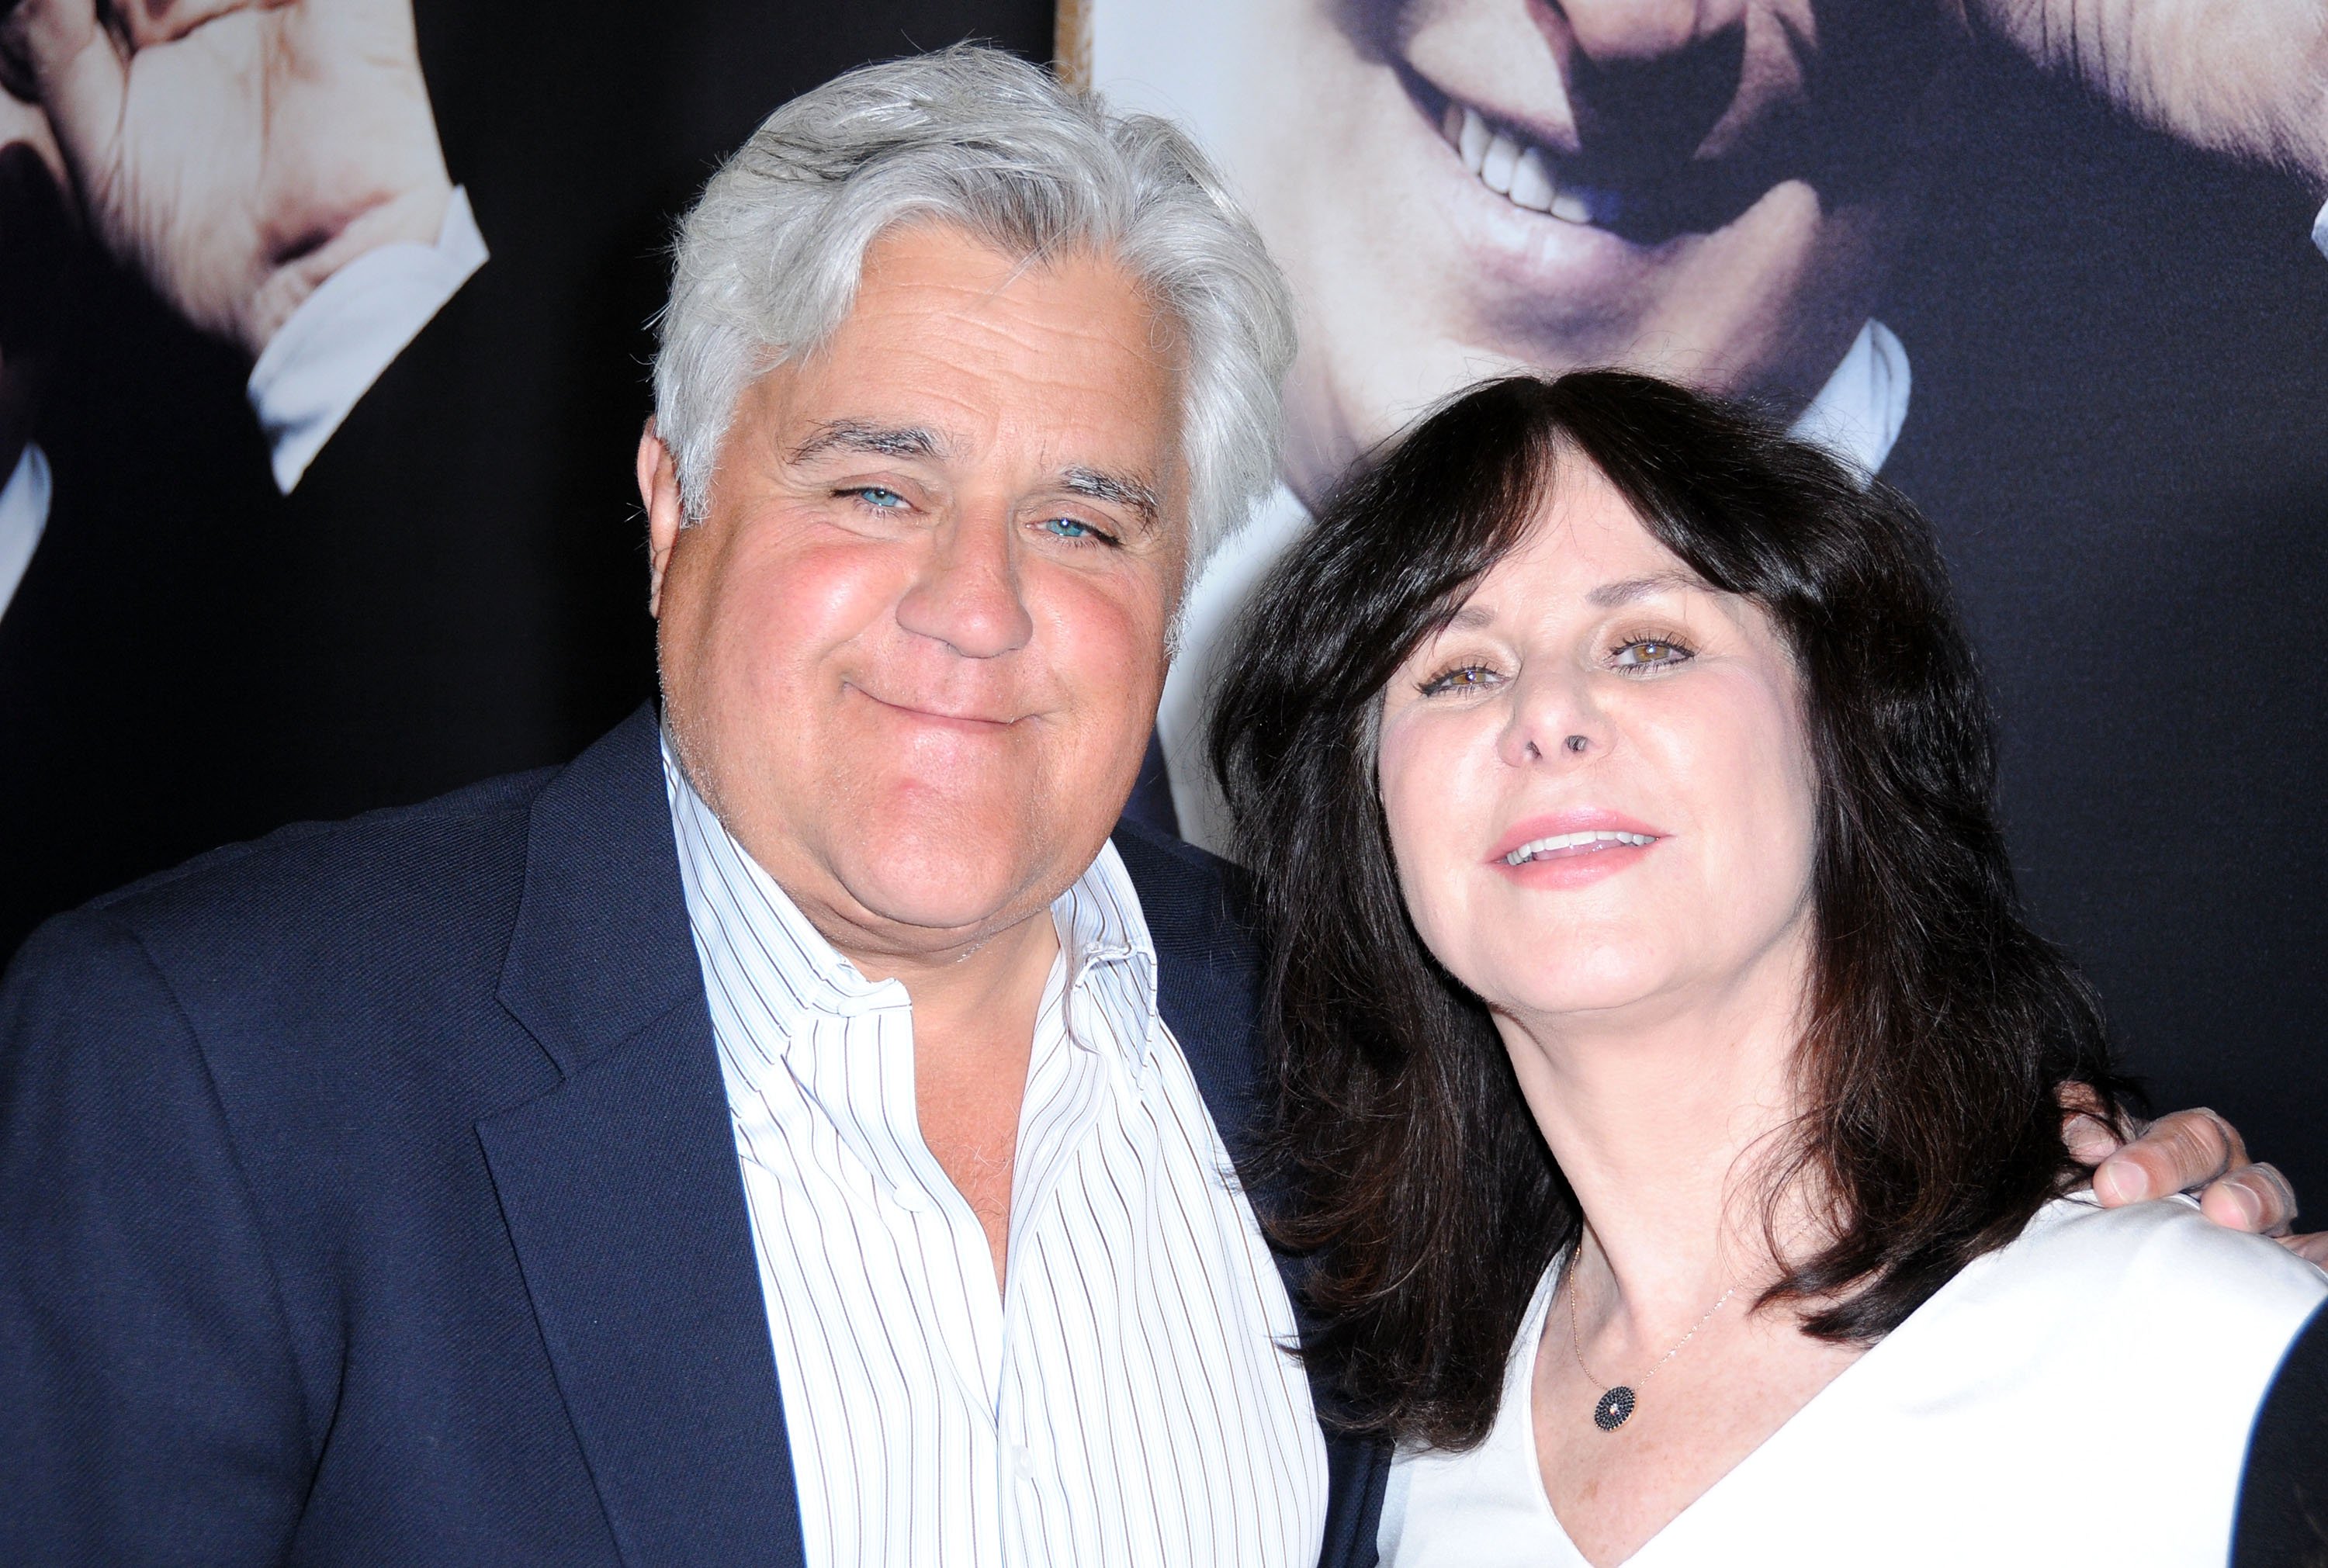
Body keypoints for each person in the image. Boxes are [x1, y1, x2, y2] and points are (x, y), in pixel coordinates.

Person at [0, 47, 2293, 1568]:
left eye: (1087, 518)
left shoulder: (1357, 1053)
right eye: (877, 479)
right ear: (671, 500)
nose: (974, 609)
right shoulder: (214, 1066)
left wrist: (2111, 1207)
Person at [1210, 368, 2328, 1566]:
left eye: (1646, 644)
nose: (1545, 712)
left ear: (1841, 738)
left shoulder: (2196, 1346)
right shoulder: (1377, 1458)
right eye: (1459, 671)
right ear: (1372, 812)